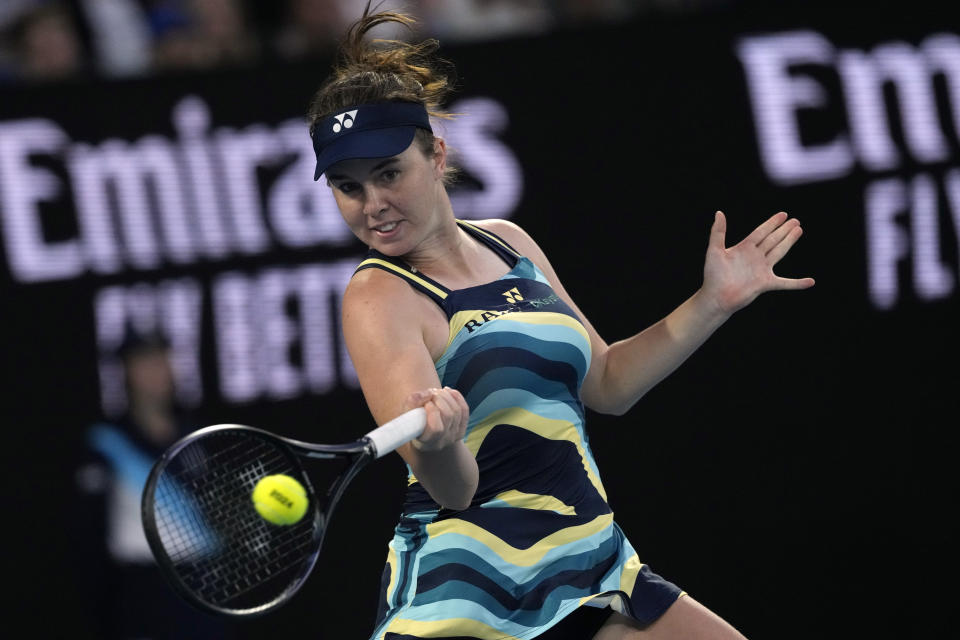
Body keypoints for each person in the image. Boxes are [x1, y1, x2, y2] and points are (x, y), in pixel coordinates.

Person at [306, 5, 814, 638]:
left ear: (436, 155)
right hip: (468, 599)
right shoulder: (378, 296)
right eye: (348, 187)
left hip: (590, 565)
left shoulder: (508, 244)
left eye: (389, 174)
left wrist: (711, 302)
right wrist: (439, 444)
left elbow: (607, 382)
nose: (372, 204)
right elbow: (455, 491)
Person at [73, 330, 235, 639]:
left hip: (203, 589)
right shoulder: (106, 442)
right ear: (127, 372)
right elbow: (87, 536)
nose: (155, 370)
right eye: (144, 362)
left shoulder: (200, 436)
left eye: (161, 359)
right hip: (142, 593)